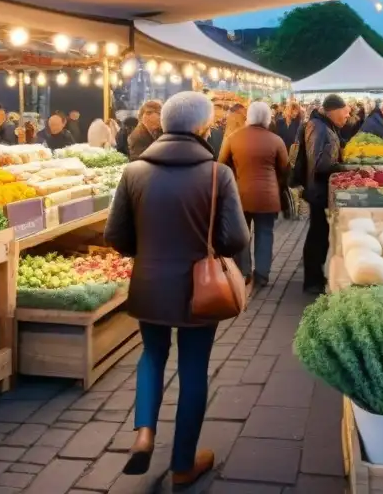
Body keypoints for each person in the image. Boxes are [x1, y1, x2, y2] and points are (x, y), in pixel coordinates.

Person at [105, 92, 249, 486]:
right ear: (204, 127)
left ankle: (144, 433)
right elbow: (235, 238)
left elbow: (115, 235)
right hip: (198, 290)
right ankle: (183, 464)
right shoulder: (218, 174)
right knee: (193, 369)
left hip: (149, 283)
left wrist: (148, 252)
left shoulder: (134, 171)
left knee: (151, 355)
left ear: (164, 125)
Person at [219, 101, 289, 287]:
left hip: (239, 196)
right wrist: (277, 182)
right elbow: (285, 168)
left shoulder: (233, 138)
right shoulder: (276, 140)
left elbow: (221, 165)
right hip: (268, 197)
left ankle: (243, 271)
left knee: (241, 234)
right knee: (265, 234)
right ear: (268, 118)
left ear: (248, 116)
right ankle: (262, 275)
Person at [301, 94, 351, 294]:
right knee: (317, 235)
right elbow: (321, 164)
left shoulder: (324, 126)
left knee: (319, 234)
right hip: (319, 190)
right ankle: (312, 280)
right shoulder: (320, 129)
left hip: (320, 189)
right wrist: (344, 168)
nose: (347, 117)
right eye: (345, 113)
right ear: (334, 110)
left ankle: (315, 276)